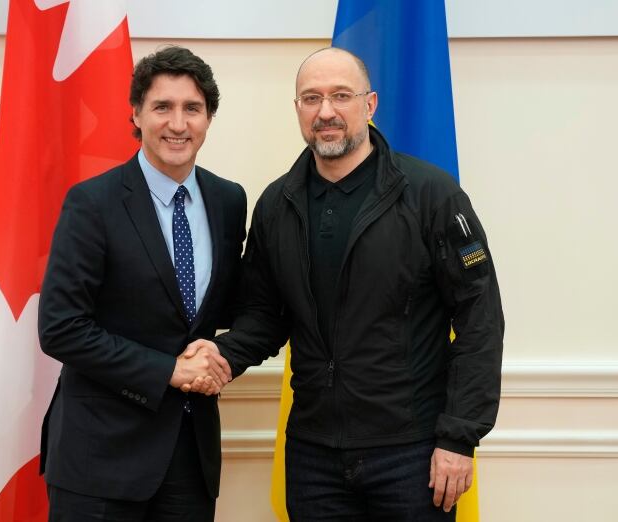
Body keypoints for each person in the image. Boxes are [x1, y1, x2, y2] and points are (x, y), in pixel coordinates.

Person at [185, 47, 504, 521]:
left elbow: (480, 318)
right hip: (313, 456)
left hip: (412, 453)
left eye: (341, 96)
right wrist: (222, 356)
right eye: (311, 98)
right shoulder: (277, 204)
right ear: (297, 109)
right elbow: (264, 316)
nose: (326, 111)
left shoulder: (431, 195)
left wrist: (458, 438)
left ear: (369, 105)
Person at [38, 46, 244, 522]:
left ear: (208, 117)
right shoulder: (93, 203)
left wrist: (223, 356)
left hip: (190, 460)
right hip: (99, 462)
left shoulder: (229, 200)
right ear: (136, 113)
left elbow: (233, 306)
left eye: (192, 108)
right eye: (162, 107)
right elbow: (61, 328)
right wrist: (167, 370)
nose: (178, 123)